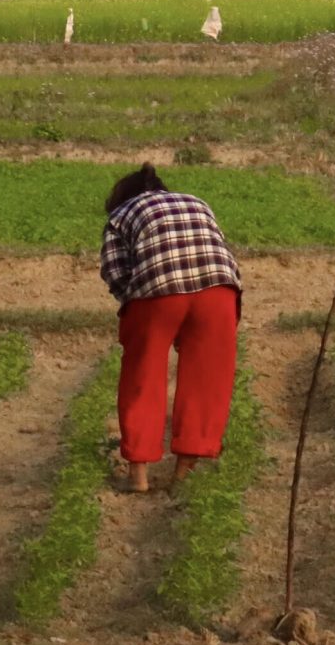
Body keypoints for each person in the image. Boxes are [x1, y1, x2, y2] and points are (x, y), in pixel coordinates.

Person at [99, 162, 242, 493]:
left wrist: (135, 304)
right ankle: (184, 475)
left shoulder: (121, 215)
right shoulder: (197, 202)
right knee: (207, 379)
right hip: (217, 289)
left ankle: (138, 477)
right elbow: (222, 251)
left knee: (143, 376)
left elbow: (115, 270)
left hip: (156, 292)